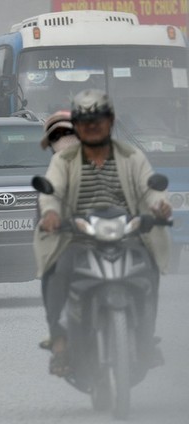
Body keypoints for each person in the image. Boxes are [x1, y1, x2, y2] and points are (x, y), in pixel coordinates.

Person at [34, 89, 172, 376]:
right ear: (78, 125)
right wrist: (50, 213)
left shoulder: (132, 156)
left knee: (149, 271)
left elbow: (151, 189)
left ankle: (146, 339)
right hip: (77, 238)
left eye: (98, 119)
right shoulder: (63, 161)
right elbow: (52, 192)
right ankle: (60, 340)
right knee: (56, 273)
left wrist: (159, 206)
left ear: (111, 121)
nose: (92, 126)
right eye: (85, 121)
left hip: (128, 235)